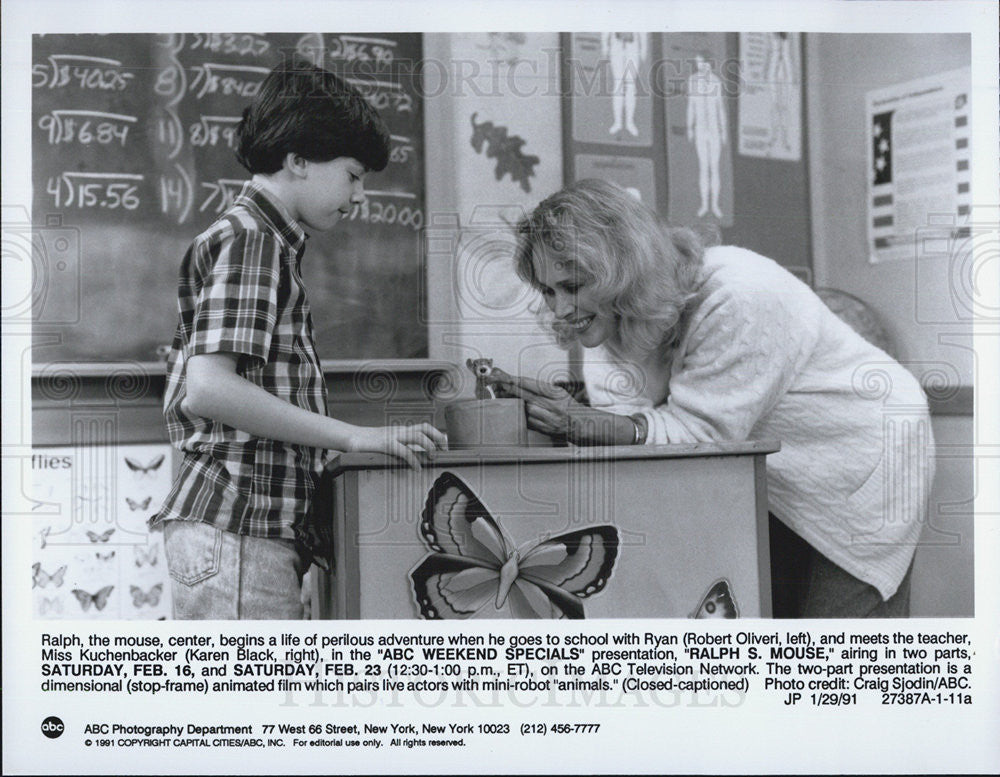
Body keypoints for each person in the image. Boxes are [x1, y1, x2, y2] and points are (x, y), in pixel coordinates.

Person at [500, 179, 934, 618]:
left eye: (571, 286)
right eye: (549, 291)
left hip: (867, 456)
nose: (558, 310)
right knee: (767, 618)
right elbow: (644, 439)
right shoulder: (611, 324)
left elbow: (700, 435)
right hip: (772, 468)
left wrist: (581, 423)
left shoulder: (739, 292)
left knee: (842, 645)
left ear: (623, 270)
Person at [151, 60, 447, 620]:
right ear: (299, 160)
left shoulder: (261, 240)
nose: (358, 196)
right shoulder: (255, 241)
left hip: (242, 529)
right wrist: (354, 438)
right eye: (354, 175)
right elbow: (209, 390)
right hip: (237, 529)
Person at [687, 52, 727, 219]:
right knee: (704, 167)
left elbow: (720, 108)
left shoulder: (716, 82)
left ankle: (715, 205)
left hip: (714, 130)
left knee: (714, 168)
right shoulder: (693, 81)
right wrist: (690, 127)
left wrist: (723, 130)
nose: (700, 67)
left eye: (702, 64)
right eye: (698, 64)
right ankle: (704, 205)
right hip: (700, 129)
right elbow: (691, 105)